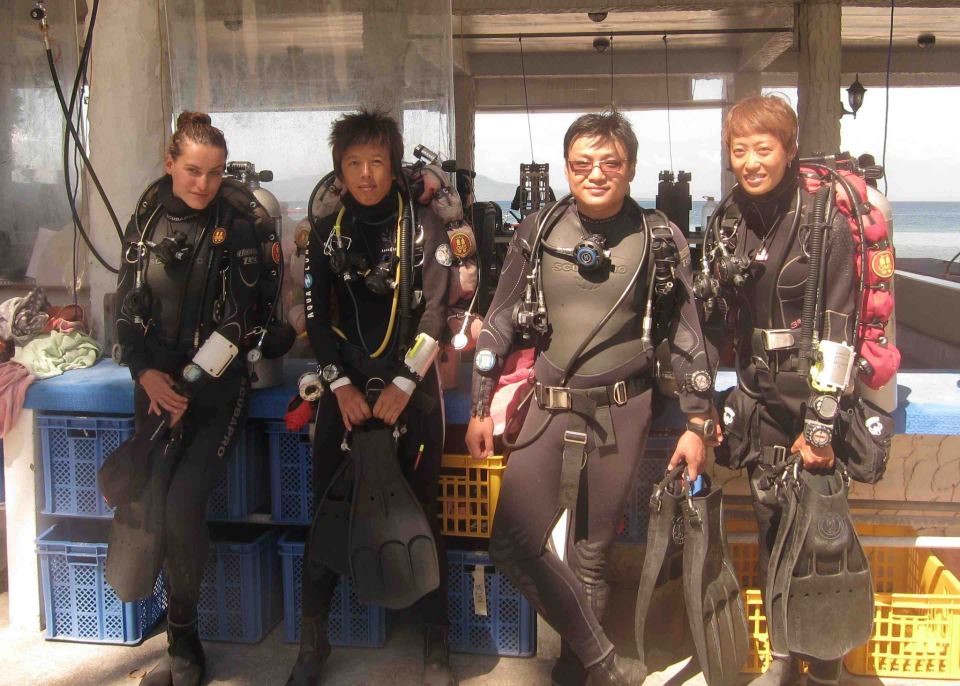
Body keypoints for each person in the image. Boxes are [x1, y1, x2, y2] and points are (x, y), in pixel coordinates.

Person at [465, 111, 717, 686]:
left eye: (610, 162)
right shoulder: (538, 229)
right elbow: (499, 319)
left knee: (592, 554)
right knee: (512, 541)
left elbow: (688, 336)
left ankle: (574, 668)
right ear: (565, 168)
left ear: (630, 167)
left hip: (622, 410)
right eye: (582, 163)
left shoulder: (659, 237)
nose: (596, 173)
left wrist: (698, 421)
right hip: (549, 404)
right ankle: (603, 662)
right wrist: (481, 405)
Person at [288, 110, 454, 686]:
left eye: (377, 162)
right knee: (328, 511)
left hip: (412, 389)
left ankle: (436, 643)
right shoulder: (326, 231)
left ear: (393, 166)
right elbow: (315, 319)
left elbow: (437, 314)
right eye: (354, 163)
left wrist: (405, 383)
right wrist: (339, 384)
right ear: (339, 169)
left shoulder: (425, 227)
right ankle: (313, 643)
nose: (365, 174)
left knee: (423, 510)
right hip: (346, 390)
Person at [703, 95, 859, 686]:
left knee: (820, 533)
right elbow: (711, 317)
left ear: (789, 151)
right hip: (760, 397)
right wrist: (700, 401)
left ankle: (827, 660)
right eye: (739, 149)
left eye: (764, 148)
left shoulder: (824, 223)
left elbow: (841, 327)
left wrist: (820, 426)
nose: (751, 161)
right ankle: (784, 656)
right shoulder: (729, 222)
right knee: (771, 528)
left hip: (814, 400)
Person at [115, 111, 262, 686]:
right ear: (170, 164)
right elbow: (126, 306)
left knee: (180, 507)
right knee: (151, 503)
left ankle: (184, 637)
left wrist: (189, 385)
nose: (204, 183)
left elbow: (240, 322)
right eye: (193, 171)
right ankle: (161, 615)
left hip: (215, 392)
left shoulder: (237, 226)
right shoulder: (146, 221)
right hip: (155, 387)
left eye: (215, 173)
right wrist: (146, 374)